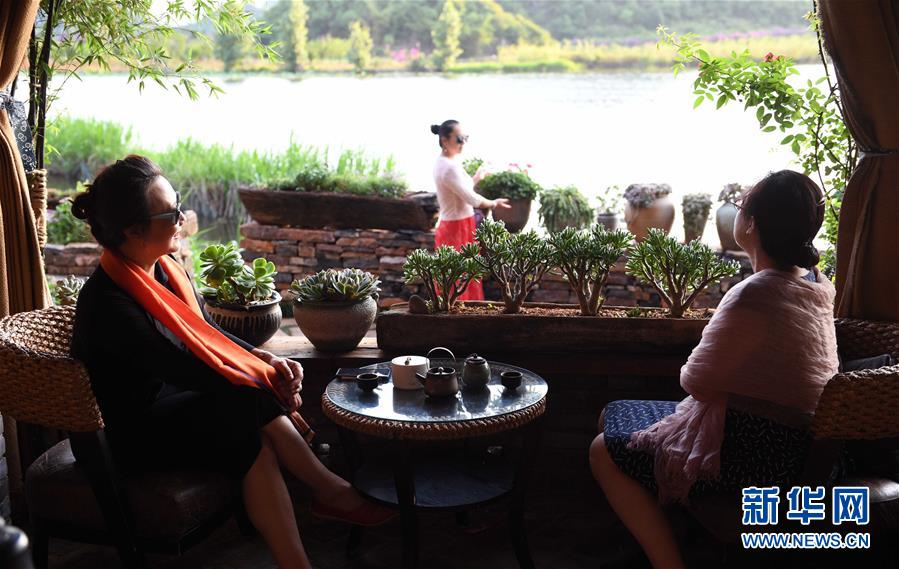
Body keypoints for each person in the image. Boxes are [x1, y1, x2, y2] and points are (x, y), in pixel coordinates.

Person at [70, 155, 394, 569]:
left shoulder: (164, 269)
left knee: (249, 433)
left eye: (179, 203)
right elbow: (185, 368)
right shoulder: (109, 304)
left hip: (172, 406)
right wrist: (264, 377)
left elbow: (206, 331)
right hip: (129, 434)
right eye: (171, 213)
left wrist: (261, 357)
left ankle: (301, 552)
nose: (182, 217)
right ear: (134, 229)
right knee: (244, 398)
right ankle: (328, 491)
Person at [589, 170, 839, 568]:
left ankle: (668, 562)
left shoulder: (756, 292)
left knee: (602, 450)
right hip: (798, 445)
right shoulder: (816, 282)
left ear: (751, 224)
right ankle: (670, 536)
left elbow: (696, 381)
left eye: (740, 206)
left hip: (756, 453)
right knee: (613, 414)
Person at [431, 119, 510, 300]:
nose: (463, 143)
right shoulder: (448, 168)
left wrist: (476, 178)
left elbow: (460, 192)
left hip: (458, 224)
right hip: (456, 228)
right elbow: (472, 199)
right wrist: (494, 203)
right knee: (459, 280)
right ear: (444, 140)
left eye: (465, 138)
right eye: (459, 139)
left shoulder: (445, 161)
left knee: (462, 276)